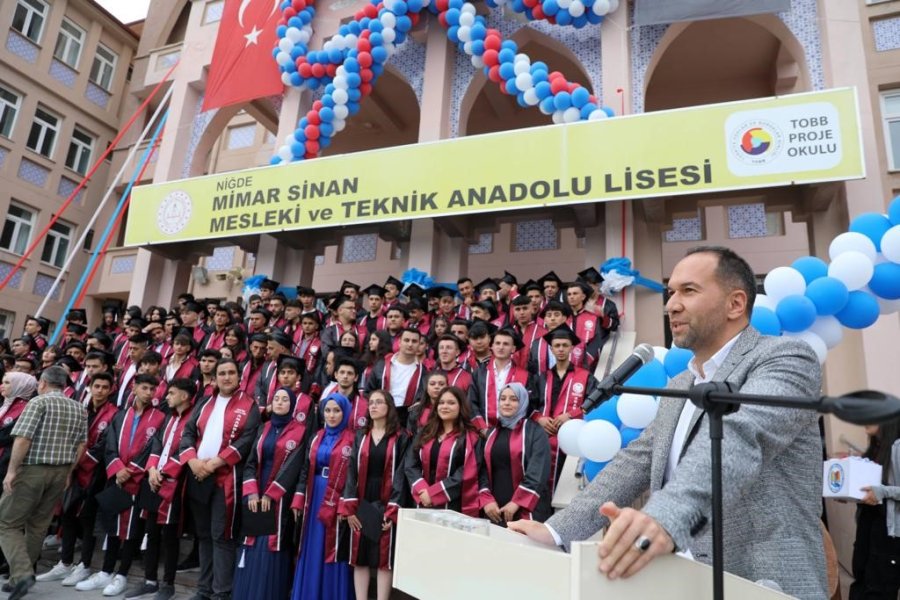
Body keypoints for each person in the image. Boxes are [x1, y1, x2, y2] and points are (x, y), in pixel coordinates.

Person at [508, 246, 828, 600]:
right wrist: (556, 532)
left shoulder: (784, 359)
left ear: (736, 304)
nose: (671, 304)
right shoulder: (681, 384)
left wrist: (664, 517)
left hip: (762, 580)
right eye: (671, 291)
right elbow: (637, 459)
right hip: (680, 580)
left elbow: (742, 435)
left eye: (688, 291)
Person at [0, 366, 87, 600]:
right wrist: (68, 471)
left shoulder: (37, 403)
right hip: (60, 473)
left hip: (32, 470)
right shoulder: (79, 407)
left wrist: (11, 471)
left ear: (43, 383)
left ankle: (22, 574)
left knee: (6, 523)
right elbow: (81, 444)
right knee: (37, 526)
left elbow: (23, 439)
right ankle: (20, 579)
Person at [178, 358, 261, 600]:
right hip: (197, 476)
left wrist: (215, 462)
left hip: (225, 480)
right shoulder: (204, 402)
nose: (226, 377)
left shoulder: (249, 405)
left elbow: (246, 441)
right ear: (214, 378)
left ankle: (221, 593)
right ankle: (204, 590)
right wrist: (193, 461)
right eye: (222, 373)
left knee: (221, 537)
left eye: (231, 373)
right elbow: (189, 432)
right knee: (203, 536)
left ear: (238, 377)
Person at [233, 387, 310, 600]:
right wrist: (251, 492)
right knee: (251, 541)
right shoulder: (263, 427)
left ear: (292, 405)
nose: (280, 402)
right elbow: (250, 463)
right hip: (255, 493)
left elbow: (295, 466)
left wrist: (271, 494)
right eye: (276, 398)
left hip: (281, 496)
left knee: (272, 543)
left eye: (285, 399)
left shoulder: (301, 431)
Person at [42, 373, 118, 587]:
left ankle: (84, 566)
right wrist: (69, 463)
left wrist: (77, 462)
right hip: (72, 470)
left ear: (111, 389)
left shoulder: (114, 414)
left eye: (105, 387)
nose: (100, 390)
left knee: (87, 519)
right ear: (89, 387)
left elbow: (102, 446)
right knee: (67, 515)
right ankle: (65, 563)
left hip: (94, 473)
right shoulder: (81, 408)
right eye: (97, 386)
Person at [340, 390, 410, 600]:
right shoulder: (361, 435)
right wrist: (349, 508)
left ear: (389, 407)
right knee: (359, 556)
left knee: (383, 557)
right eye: (371, 403)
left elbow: (401, 474)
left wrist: (392, 511)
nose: (373, 406)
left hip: (386, 498)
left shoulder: (401, 437)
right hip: (363, 498)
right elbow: (351, 470)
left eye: (379, 402)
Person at [290, 393, 356, 600]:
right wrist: (298, 499)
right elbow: (304, 469)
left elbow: (354, 477)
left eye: (337, 410)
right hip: (314, 494)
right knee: (312, 544)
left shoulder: (353, 439)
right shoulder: (316, 436)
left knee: (332, 546)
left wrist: (346, 504)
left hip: (337, 497)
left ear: (345, 412)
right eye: (328, 410)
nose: (332, 415)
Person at [139, 378, 198, 600]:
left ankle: (168, 584)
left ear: (184, 396)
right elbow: (157, 443)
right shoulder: (169, 417)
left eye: (171, 393)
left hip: (174, 485)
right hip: (155, 479)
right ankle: (149, 579)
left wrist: (164, 473)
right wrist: (152, 469)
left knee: (170, 535)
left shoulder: (193, 419)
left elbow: (189, 449)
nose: (166, 397)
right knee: (151, 532)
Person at [479, 382, 551, 525]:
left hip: (527, 507)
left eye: (513, 399)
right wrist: (486, 500)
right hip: (495, 510)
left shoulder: (535, 432)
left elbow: (538, 471)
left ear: (523, 402)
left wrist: (516, 503)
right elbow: (482, 471)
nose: (507, 403)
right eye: (503, 398)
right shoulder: (491, 433)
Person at [405, 386, 481, 517]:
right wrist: (422, 490)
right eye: (441, 403)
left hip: (453, 506)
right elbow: (411, 463)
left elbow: (467, 472)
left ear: (461, 406)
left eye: (451, 403)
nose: (445, 406)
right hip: (422, 500)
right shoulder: (425, 433)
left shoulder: (470, 437)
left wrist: (434, 493)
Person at [850, 418, 900, 600]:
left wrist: (882, 492)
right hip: (867, 524)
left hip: (888, 532)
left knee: (879, 588)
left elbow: (882, 490)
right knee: (861, 578)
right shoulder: (873, 449)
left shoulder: (898, 447)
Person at [407, 372, 447, 439]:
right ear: (426, 388)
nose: (437, 387)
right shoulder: (416, 410)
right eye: (432, 384)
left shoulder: (453, 410)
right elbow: (411, 436)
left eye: (441, 384)